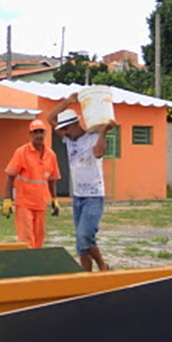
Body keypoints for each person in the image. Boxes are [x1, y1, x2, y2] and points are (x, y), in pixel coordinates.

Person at [47, 93, 116, 271]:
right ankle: (86, 275)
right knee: (80, 244)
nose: (63, 132)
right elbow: (49, 118)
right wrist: (68, 102)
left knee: (85, 236)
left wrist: (102, 132)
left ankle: (103, 266)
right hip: (78, 196)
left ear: (75, 125)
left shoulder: (92, 137)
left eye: (66, 129)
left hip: (93, 196)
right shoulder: (68, 139)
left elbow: (99, 153)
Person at [2, 119, 61, 249]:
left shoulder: (50, 155)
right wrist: (7, 200)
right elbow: (10, 177)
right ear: (31, 134)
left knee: (38, 239)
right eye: (36, 132)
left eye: (41, 132)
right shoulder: (21, 152)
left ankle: (36, 266)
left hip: (40, 203)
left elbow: (52, 180)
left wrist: (54, 199)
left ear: (45, 133)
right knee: (26, 239)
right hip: (24, 203)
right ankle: (27, 265)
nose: (39, 135)